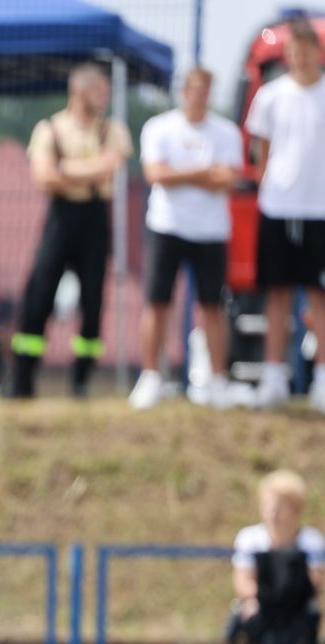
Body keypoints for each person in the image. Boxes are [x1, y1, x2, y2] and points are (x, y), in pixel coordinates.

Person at [8, 64, 131, 400]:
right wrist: (87, 171)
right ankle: (22, 380)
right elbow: (43, 177)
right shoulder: (49, 128)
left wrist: (64, 169)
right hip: (60, 219)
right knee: (39, 297)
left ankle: (81, 379)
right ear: (79, 91)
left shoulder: (112, 129)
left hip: (94, 220)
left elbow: (110, 166)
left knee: (93, 302)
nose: (104, 98)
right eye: (99, 91)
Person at [132, 68, 241, 410]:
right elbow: (155, 174)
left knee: (212, 306)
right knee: (157, 302)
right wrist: (203, 172)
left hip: (210, 230)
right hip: (168, 226)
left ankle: (218, 380)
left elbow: (228, 179)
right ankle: (151, 377)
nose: (199, 96)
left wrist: (180, 173)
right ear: (184, 92)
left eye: (205, 90)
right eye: (194, 90)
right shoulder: (159, 127)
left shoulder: (225, 132)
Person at [244, 19, 325, 411]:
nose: (300, 57)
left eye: (306, 50)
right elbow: (261, 149)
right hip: (278, 207)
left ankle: (322, 381)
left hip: (320, 209)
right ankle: (274, 376)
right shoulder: (271, 95)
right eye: (293, 51)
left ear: (317, 53)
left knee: (319, 297)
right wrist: (268, 186)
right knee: (276, 294)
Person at [228, 470, 325, 644]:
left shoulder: (310, 541)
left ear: (295, 509)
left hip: (294, 614)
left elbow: (315, 584)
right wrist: (260, 598)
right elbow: (242, 582)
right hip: (263, 614)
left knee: (286, 627)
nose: (273, 512)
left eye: (280, 507)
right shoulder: (250, 538)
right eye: (268, 506)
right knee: (272, 627)